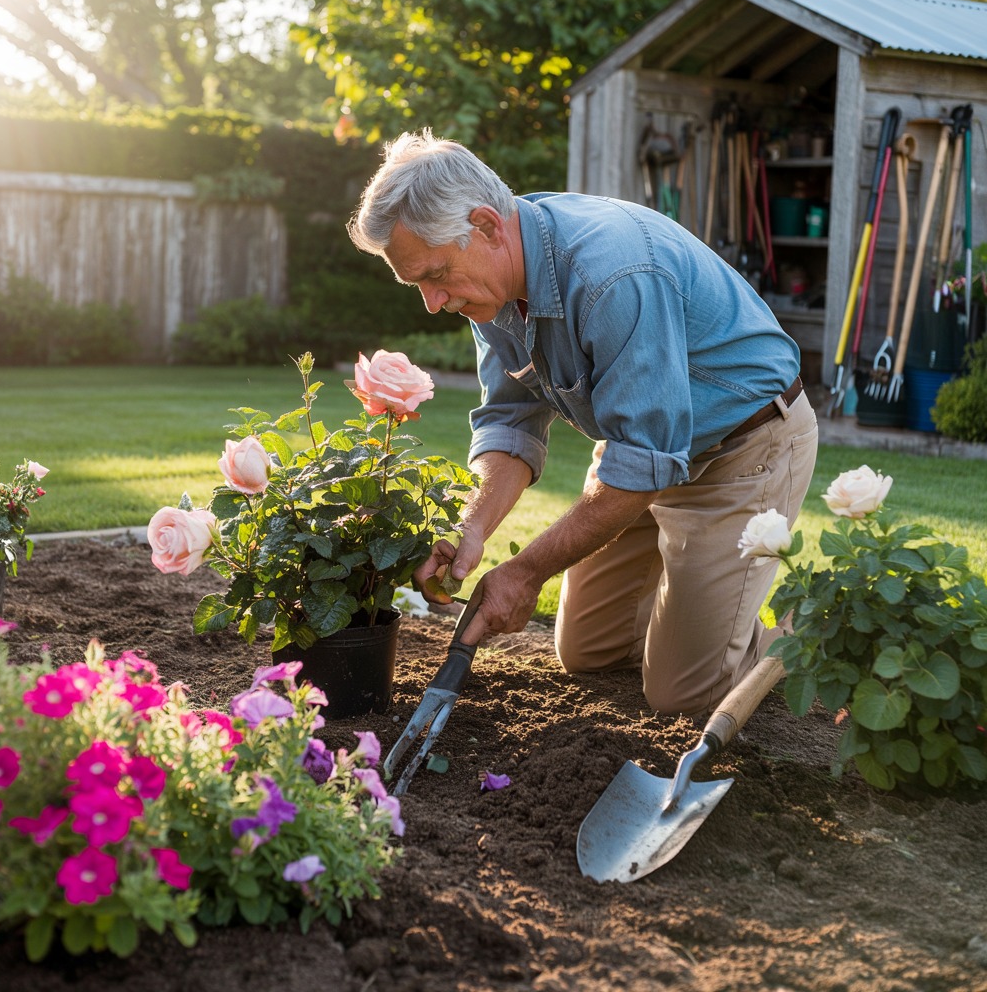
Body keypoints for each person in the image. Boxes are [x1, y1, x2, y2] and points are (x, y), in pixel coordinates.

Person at [348, 129, 818, 718]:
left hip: (743, 447)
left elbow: (646, 459)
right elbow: (510, 420)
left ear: (488, 225)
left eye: (436, 275)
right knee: (590, 651)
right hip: (641, 449)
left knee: (684, 697)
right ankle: (697, 621)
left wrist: (525, 572)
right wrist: (472, 529)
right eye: (416, 282)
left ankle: (804, 636)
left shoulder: (611, 274)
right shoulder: (489, 288)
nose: (432, 302)